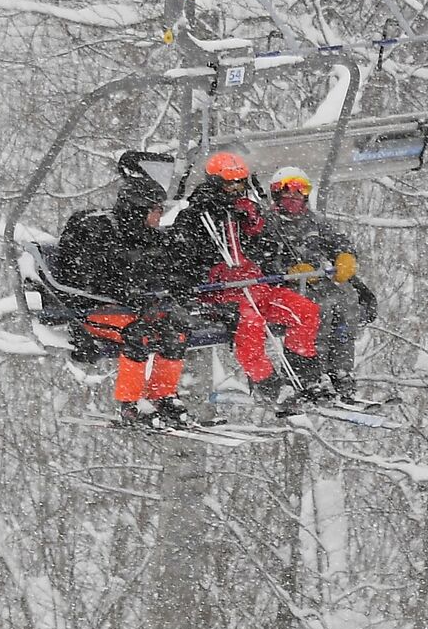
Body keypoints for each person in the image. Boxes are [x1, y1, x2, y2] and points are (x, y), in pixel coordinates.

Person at [54, 152, 198, 429]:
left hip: (133, 311)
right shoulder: (100, 234)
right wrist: (128, 291)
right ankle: (131, 404)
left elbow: (167, 271)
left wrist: (177, 284)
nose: (159, 216)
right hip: (93, 314)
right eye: (155, 210)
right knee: (139, 335)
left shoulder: (148, 237)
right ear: (137, 210)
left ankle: (162, 395)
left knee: (176, 331)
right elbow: (87, 280)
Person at [173, 152, 322, 397]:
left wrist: (254, 225)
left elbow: (269, 251)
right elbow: (185, 259)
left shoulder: (248, 210)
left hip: (256, 284)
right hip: (223, 291)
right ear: (215, 182)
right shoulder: (195, 215)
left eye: (240, 182)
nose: (235, 188)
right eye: (229, 182)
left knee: (306, 311)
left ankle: (305, 376)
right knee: (251, 325)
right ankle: (268, 385)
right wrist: (210, 271)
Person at [261, 167, 378, 400]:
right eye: (288, 191)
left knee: (345, 302)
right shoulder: (268, 223)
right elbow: (260, 256)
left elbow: (336, 241)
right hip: (286, 286)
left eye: (300, 191)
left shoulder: (313, 221)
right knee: (319, 309)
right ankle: (313, 373)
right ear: (276, 194)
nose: (294, 197)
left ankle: (341, 370)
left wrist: (344, 255)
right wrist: (286, 270)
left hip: (315, 280)